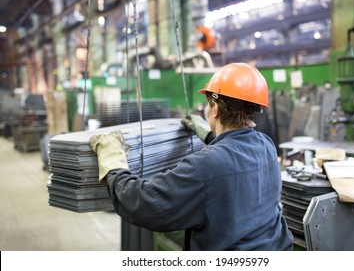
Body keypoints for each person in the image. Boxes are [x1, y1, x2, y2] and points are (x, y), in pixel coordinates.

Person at [89, 63, 294, 251]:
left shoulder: (205, 165)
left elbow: (144, 203)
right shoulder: (266, 145)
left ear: (214, 109)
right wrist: (209, 135)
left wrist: (113, 164)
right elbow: (235, 156)